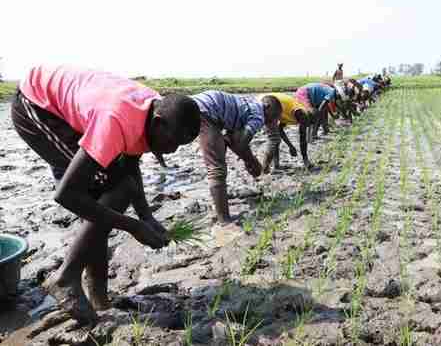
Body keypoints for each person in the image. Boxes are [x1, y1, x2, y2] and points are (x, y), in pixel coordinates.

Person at [11, 65, 201, 324]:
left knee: (106, 194)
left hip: (74, 104)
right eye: (173, 141)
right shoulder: (116, 120)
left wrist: (147, 216)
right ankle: (66, 277)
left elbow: (131, 161)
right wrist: (134, 226)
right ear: (158, 123)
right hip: (37, 105)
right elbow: (66, 195)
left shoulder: (151, 112)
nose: (173, 150)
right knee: (111, 190)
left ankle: (99, 298)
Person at [188, 91, 282, 224]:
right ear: (266, 107)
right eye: (275, 116)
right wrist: (252, 162)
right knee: (217, 169)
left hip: (196, 103)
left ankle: (219, 202)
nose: (273, 122)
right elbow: (240, 143)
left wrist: (231, 144)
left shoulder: (248, 104)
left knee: (218, 156)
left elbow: (233, 138)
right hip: (207, 111)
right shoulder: (259, 116)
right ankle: (224, 220)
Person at [257, 93, 315, 172]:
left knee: (275, 137)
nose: (307, 126)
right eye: (309, 123)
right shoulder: (301, 114)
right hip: (269, 102)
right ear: (308, 118)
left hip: (266, 102)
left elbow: (280, 129)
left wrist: (290, 146)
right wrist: (306, 161)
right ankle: (264, 169)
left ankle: (276, 165)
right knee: (274, 139)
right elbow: (303, 139)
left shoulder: (290, 112)